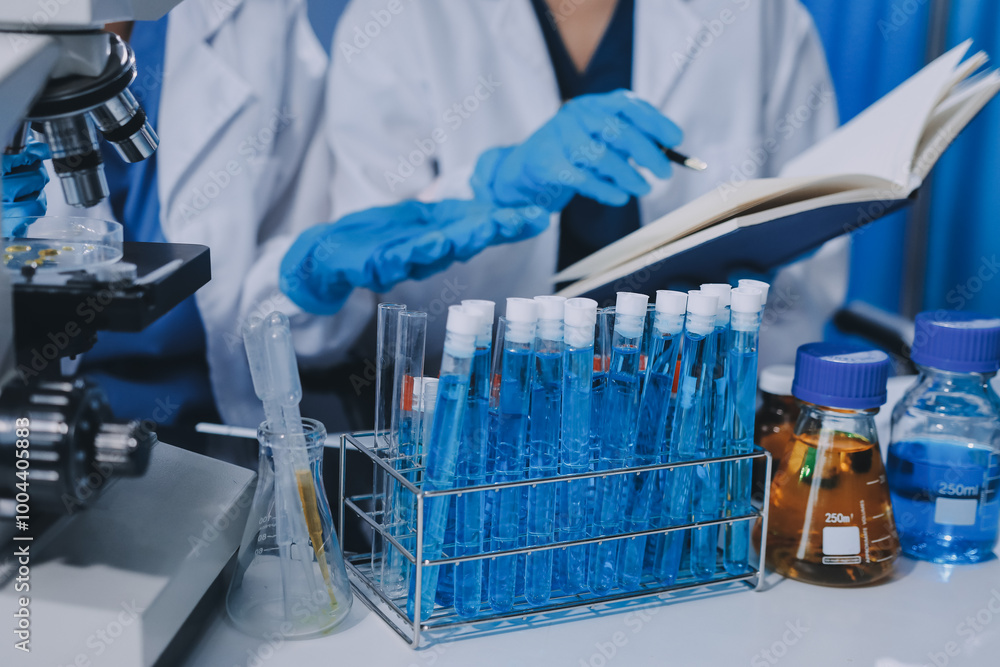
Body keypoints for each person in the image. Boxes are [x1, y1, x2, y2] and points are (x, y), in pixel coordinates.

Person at [293, 0, 845, 370]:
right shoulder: (398, 17)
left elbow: (810, 254)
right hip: (471, 422)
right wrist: (488, 194)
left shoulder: (758, 15)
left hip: (696, 417)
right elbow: (379, 288)